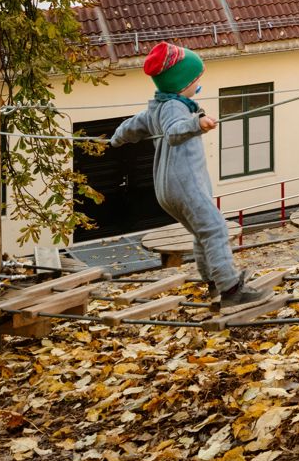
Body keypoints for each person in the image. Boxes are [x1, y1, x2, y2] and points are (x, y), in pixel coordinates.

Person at [111, 42, 265, 309]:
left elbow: (130, 127)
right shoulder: (174, 108)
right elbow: (174, 131)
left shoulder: (157, 107)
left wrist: (115, 140)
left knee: (201, 232)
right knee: (216, 229)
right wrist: (197, 124)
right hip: (185, 184)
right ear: (184, 82)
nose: (198, 84)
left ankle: (215, 282)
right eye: (196, 80)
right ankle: (231, 289)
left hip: (166, 189)